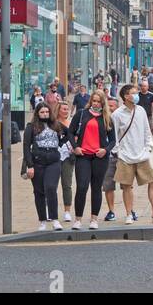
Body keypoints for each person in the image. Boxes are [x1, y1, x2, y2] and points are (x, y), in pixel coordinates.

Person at [113, 83, 153, 224]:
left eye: (137, 92)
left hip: (142, 154)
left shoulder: (140, 110)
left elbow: (146, 130)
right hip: (125, 155)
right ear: (126, 96)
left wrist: (148, 146)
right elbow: (114, 136)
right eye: (133, 93)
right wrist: (118, 152)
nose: (136, 95)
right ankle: (129, 214)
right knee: (127, 185)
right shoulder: (117, 114)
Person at [67, 90, 115, 230]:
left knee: (96, 188)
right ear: (90, 101)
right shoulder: (82, 114)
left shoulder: (107, 117)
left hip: (100, 157)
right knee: (82, 187)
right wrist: (75, 147)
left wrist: (105, 150)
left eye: (98, 101)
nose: (95, 103)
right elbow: (70, 132)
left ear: (102, 103)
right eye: (93, 100)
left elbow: (113, 140)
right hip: (83, 156)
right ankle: (78, 219)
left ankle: (94, 219)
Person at [22, 101, 68, 231]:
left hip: (54, 161)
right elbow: (26, 147)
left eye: (47, 112)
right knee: (39, 192)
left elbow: (68, 133)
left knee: (51, 188)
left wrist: (61, 143)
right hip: (38, 162)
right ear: (37, 113)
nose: (45, 114)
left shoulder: (55, 124)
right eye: (42, 112)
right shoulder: (31, 127)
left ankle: (54, 219)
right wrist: (30, 165)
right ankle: (42, 220)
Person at [55, 96, 75, 222]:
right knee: (52, 185)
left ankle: (67, 211)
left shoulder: (72, 123)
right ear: (58, 110)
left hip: (68, 157)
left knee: (67, 184)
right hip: (54, 157)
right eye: (63, 109)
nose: (66, 111)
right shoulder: (52, 123)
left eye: (67, 109)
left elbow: (77, 138)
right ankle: (51, 210)